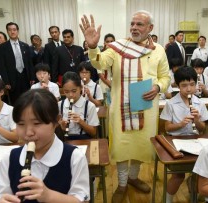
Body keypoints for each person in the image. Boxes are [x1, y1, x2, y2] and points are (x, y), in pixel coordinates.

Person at [80, 10, 170, 202]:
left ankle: (133, 177)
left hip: (146, 108)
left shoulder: (159, 50)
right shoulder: (117, 47)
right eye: (132, 24)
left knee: (140, 145)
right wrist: (94, 47)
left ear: (150, 28)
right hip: (120, 108)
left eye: (140, 24)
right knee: (122, 146)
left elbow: (166, 77)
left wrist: (158, 86)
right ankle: (121, 184)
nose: (134, 28)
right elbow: (100, 63)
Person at [0, 89, 90, 202]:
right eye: (21, 124)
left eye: (37, 123)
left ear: (56, 122)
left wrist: (48, 196)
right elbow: (2, 196)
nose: (28, 132)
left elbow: (82, 200)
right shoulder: (9, 160)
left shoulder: (75, 158)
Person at [160, 66, 208, 203]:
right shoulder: (171, 103)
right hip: (175, 142)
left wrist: (197, 120)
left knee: (203, 173)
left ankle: (195, 191)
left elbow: (202, 128)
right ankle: (168, 199)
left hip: (195, 141)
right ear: (178, 86)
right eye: (184, 85)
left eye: (192, 85)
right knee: (178, 176)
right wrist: (181, 124)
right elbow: (167, 127)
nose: (189, 89)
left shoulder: (199, 103)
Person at [0, 22, 35, 105]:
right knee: (15, 101)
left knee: (28, 99)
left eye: (14, 30)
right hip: (12, 78)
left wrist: (32, 77)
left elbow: (30, 63)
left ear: (17, 31)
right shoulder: (2, 47)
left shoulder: (25, 45)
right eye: (10, 30)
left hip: (25, 76)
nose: (12, 32)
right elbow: (2, 66)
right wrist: (6, 81)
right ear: (7, 32)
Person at [58, 71, 99, 140]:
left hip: (84, 141)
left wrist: (81, 122)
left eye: (74, 91)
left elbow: (94, 132)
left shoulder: (90, 106)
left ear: (80, 88)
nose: (70, 95)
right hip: (66, 141)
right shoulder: (60, 105)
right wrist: (62, 127)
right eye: (66, 92)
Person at [98, 33, 115, 97]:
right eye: (107, 41)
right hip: (104, 87)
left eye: (112, 41)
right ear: (104, 43)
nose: (110, 43)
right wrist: (111, 86)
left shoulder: (118, 55)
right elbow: (101, 75)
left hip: (116, 87)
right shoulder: (98, 54)